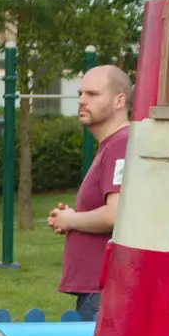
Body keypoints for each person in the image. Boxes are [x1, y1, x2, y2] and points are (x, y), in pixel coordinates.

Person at [47, 65, 131, 321]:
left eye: (93, 94)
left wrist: (71, 220)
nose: (82, 101)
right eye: (81, 94)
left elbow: (115, 215)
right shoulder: (112, 145)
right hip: (97, 289)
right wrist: (72, 219)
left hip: (103, 290)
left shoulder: (121, 144)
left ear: (119, 100)